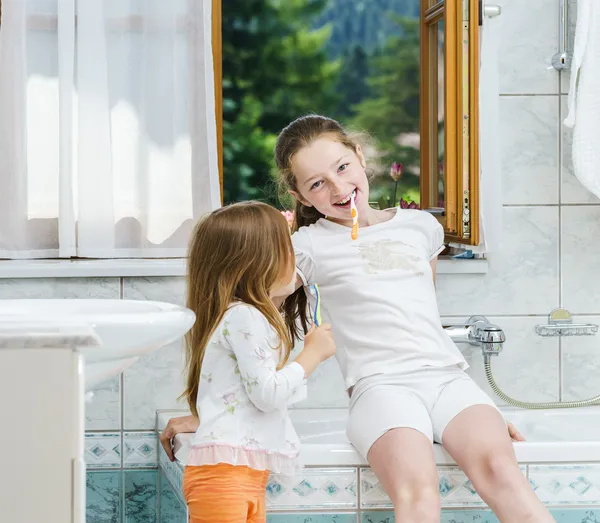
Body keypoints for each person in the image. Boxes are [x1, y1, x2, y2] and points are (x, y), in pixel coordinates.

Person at [178, 201, 335, 523]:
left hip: (238, 473)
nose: (296, 258)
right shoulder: (244, 316)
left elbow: (247, 394)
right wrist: (311, 356)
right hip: (225, 477)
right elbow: (267, 395)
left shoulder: (248, 315)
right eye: (287, 249)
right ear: (257, 264)